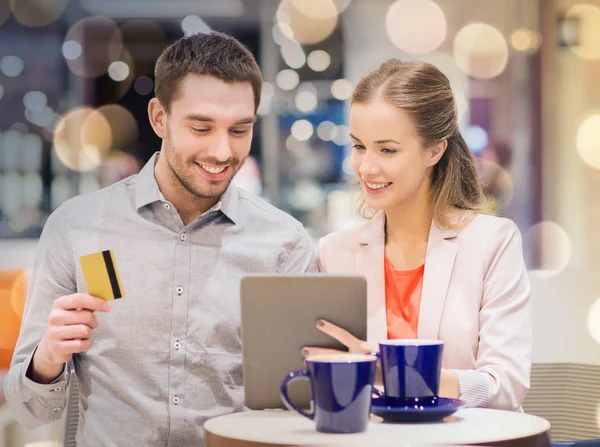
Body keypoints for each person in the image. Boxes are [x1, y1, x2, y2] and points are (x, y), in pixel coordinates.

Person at [5, 32, 315, 445]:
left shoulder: (284, 245)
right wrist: (47, 358)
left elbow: (299, 407)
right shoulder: (77, 228)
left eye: (239, 130)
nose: (222, 151)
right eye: (201, 128)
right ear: (159, 118)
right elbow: (30, 409)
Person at [303, 59, 531, 411]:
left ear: (434, 150)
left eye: (387, 149)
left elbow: (505, 387)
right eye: (359, 146)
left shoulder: (492, 243)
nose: (366, 167)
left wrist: (387, 372)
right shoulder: (334, 253)